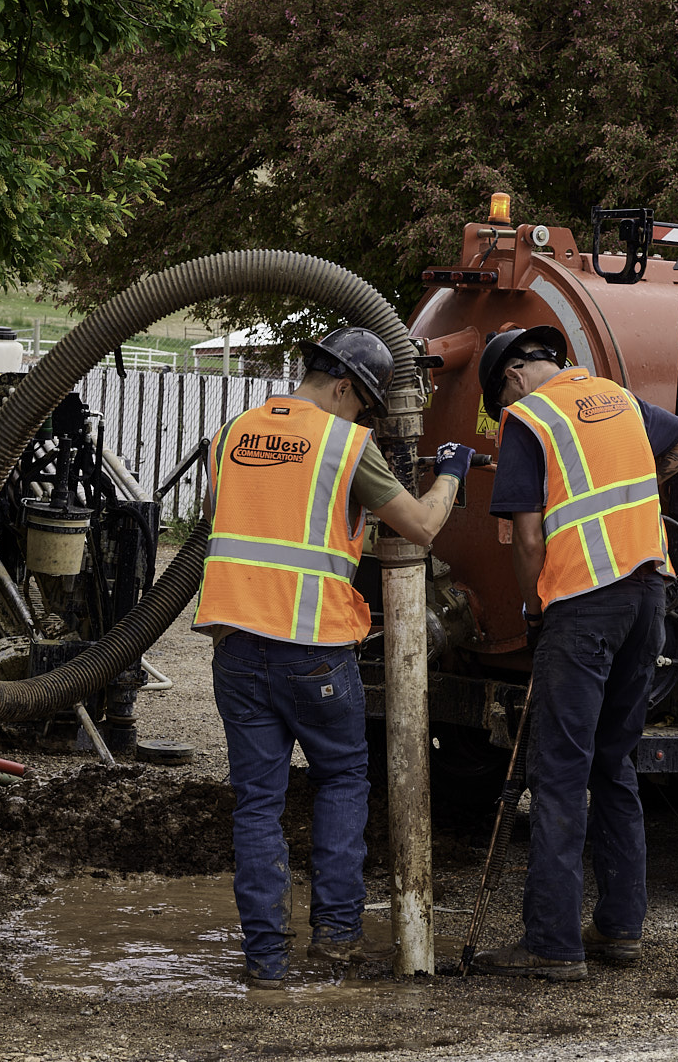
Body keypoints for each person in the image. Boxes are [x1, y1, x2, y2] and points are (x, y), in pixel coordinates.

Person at [193, 327, 475, 990]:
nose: (364, 417)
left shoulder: (232, 433)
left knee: (258, 803)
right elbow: (423, 526)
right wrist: (453, 475)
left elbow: (228, 517)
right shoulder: (346, 444)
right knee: (343, 783)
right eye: (364, 403)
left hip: (235, 647)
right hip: (314, 651)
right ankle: (335, 946)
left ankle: (264, 961)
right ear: (345, 385)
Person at [469, 324, 678, 982]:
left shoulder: (527, 418)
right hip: (649, 595)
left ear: (511, 377)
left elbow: (526, 537)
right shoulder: (618, 399)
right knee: (614, 763)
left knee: (560, 771)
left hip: (582, 603)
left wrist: (533, 610)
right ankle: (621, 929)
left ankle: (552, 942)